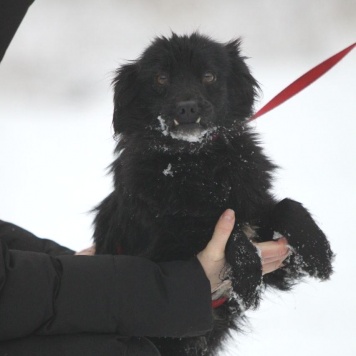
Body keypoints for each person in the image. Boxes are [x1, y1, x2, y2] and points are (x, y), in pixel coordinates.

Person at [0, 1, 290, 354]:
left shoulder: (240, 158)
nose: (186, 101)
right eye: (162, 80)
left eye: (208, 77)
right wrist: (181, 286)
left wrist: (65, 265)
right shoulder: (143, 175)